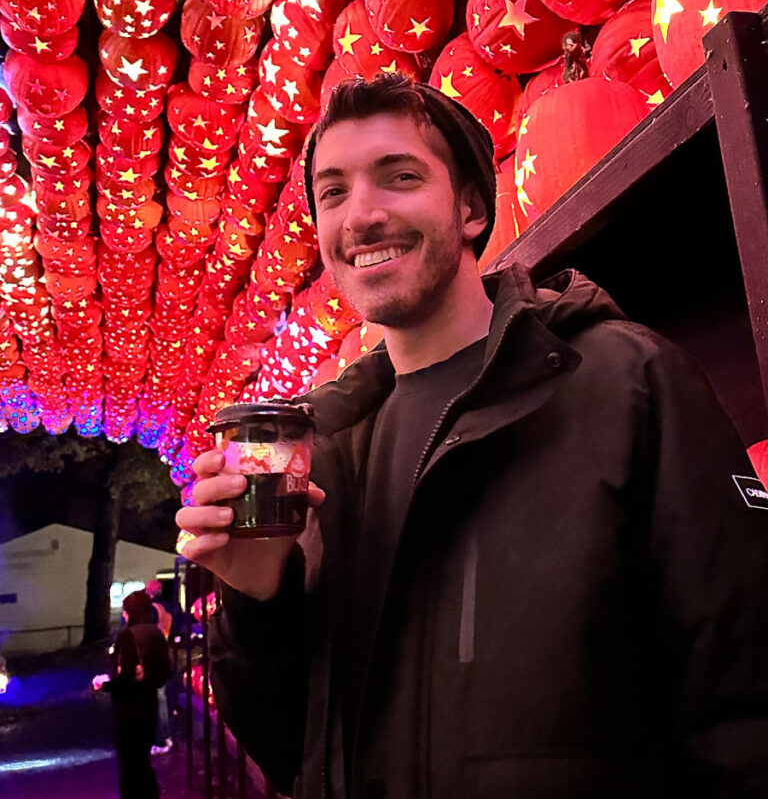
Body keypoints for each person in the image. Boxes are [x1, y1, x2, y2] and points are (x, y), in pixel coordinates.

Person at [176, 75, 768, 799]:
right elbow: (291, 753)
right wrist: (261, 601)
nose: (361, 214)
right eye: (333, 193)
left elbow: (744, 702)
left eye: (399, 177)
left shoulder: (627, 384)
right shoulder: (329, 453)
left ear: (471, 208)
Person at [106, 589, 172, 799]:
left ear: (130, 612)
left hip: (129, 709)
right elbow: (165, 672)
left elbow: (125, 679)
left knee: (129, 764)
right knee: (143, 762)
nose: (124, 616)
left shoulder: (128, 636)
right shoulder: (155, 633)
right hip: (148, 704)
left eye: (126, 612)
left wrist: (105, 685)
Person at [145, 578, 174, 754]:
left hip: (155, 652)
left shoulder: (153, 609)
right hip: (167, 650)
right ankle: (165, 735)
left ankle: (162, 737)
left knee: (158, 697)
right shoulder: (169, 606)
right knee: (162, 695)